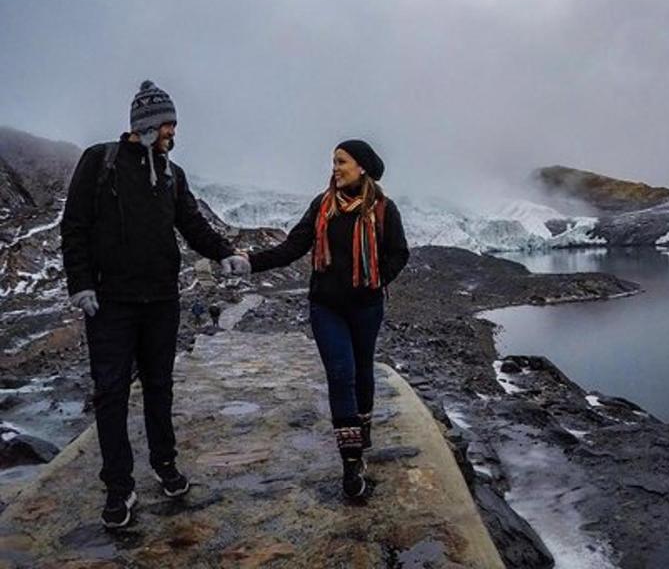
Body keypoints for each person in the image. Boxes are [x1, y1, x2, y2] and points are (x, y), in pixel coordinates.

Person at [60, 80, 251, 529]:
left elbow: (191, 223)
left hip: (162, 301)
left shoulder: (172, 173)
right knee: (110, 393)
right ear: (146, 124)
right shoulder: (99, 161)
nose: (173, 132)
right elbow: (75, 227)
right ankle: (118, 487)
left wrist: (224, 252)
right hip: (110, 304)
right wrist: (81, 284)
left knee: (159, 387)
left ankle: (165, 465)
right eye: (169, 124)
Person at [231, 139, 408, 498]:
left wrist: (375, 279)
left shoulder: (383, 210)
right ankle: (351, 462)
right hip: (326, 307)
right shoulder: (323, 205)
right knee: (341, 374)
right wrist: (253, 263)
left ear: (362, 167)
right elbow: (293, 246)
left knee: (362, 371)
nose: (335, 167)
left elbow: (399, 253)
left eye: (341, 161)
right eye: (333, 161)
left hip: (367, 307)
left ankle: (364, 425)